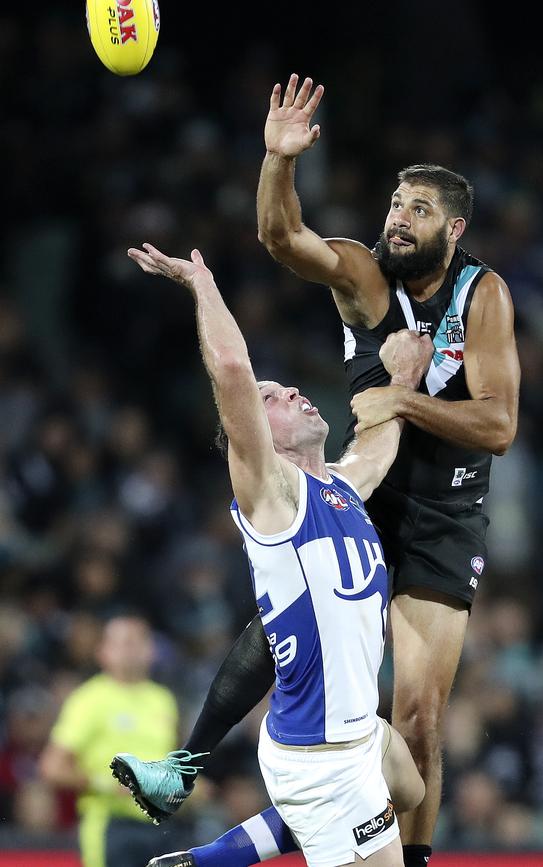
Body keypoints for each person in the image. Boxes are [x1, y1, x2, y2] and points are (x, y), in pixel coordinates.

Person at [111, 74, 520, 867]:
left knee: (418, 723)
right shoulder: (367, 280)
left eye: (420, 211)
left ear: (455, 226)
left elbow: (498, 424)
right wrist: (278, 161)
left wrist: (398, 403)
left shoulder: (483, 296)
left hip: (441, 507)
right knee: (293, 615)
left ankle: (379, 851)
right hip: (357, 484)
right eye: (397, 205)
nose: (399, 220)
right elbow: (280, 238)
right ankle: (189, 762)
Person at [111, 242, 431, 867]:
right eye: (275, 396)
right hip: (325, 759)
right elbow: (230, 367)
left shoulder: (338, 486)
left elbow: (377, 441)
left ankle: (211, 860)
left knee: (409, 785)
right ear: (256, 435)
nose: (294, 394)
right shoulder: (273, 496)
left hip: (356, 735)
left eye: (289, 389)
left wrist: (403, 381)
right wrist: (202, 283)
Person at [39, 614, 188, 867]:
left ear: (152, 650)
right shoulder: (89, 700)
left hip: (161, 826)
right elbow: (51, 767)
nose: (133, 650)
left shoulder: (163, 700)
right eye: (124, 643)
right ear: (103, 652)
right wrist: (108, 784)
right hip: (112, 825)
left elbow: (172, 761)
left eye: (140, 641)